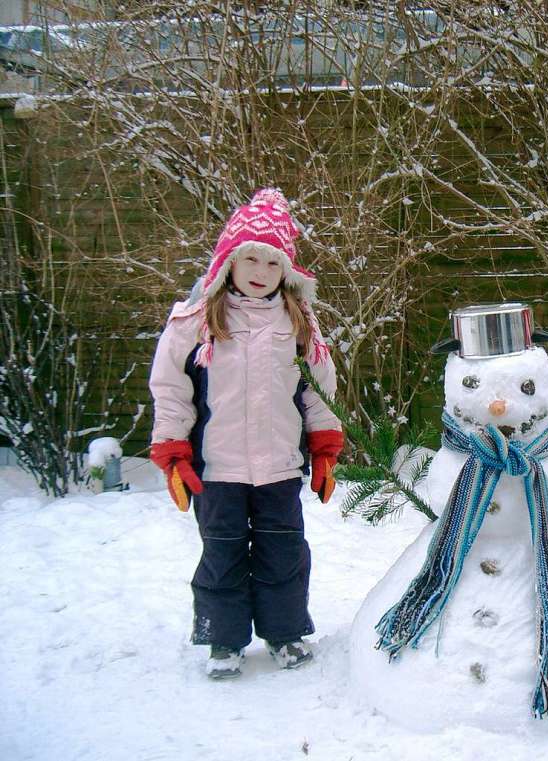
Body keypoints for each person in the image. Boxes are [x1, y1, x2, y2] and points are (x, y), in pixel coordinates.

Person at [148, 188, 344, 680]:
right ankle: (223, 638)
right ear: (228, 262)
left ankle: (284, 633)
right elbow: (171, 388)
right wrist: (173, 450)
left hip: (279, 464)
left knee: (284, 551)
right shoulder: (195, 321)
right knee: (222, 552)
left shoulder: (299, 322)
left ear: (287, 272)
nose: (260, 271)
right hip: (217, 468)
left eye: (273, 263)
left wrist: (324, 446)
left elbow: (319, 390)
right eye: (250, 258)